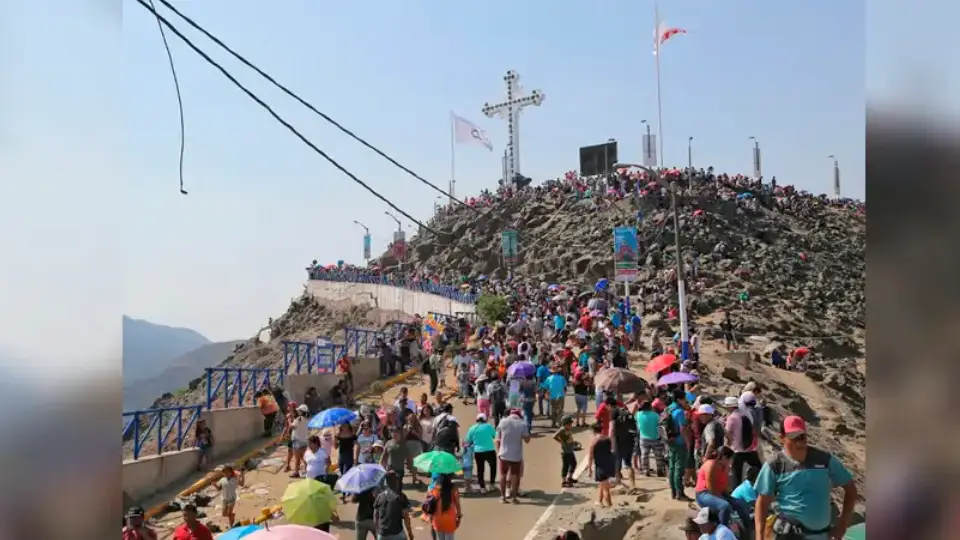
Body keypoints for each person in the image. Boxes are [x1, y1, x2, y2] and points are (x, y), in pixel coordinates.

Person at [754, 416, 858, 540]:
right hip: (789, 535)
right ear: (782, 438)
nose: (799, 442)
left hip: (821, 536)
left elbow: (850, 489)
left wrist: (843, 524)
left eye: (802, 436)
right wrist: (759, 537)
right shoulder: (775, 464)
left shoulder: (824, 460)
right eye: (793, 437)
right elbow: (762, 502)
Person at [694, 446, 752, 531]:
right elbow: (711, 489)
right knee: (725, 506)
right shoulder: (711, 464)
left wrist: (730, 497)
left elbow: (724, 486)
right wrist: (725, 499)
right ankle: (722, 531)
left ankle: (750, 529)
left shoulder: (725, 466)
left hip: (719, 493)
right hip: (704, 494)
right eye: (730, 459)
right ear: (724, 457)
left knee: (740, 503)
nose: (731, 461)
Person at [725, 392, 762, 488]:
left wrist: (728, 445)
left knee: (736, 475)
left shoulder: (732, 418)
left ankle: (736, 494)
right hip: (750, 449)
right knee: (760, 469)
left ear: (730, 407)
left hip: (737, 451)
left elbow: (728, 433)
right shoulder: (747, 415)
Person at [495, 408, 531, 504]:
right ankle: (514, 498)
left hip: (504, 453)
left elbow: (498, 438)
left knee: (503, 474)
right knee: (515, 475)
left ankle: (503, 497)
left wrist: (498, 451)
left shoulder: (503, 422)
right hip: (516, 455)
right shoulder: (522, 424)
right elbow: (527, 440)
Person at [665, 391, 692, 501]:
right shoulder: (680, 412)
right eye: (684, 398)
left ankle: (673, 492)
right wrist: (688, 442)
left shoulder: (669, 408)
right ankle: (680, 493)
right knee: (679, 469)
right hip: (680, 442)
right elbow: (683, 428)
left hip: (670, 440)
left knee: (672, 467)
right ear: (679, 400)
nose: (686, 400)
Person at [373, 471, 415, 540]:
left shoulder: (380, 496)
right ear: (396, 482)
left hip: (382, 534)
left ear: (386, 483)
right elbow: (406, 518)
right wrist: (410, 533)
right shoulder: (401, 497)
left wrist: (378, 533)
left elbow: (375, 516)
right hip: (397, 534)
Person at [465, 413, 497, 494]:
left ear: (477, 420)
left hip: (478, 451)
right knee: (493, 468)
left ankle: (482, 487)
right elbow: (495, 436)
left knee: (480, 470)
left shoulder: (472, 428)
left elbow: (467, 441)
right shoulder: (489, 426)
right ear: (485, 420)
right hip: (490, 450)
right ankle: (492, 485)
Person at [424, 474, 463, 540]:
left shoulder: (433, 487)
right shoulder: (454, 488)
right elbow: (457, 504)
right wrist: (459, 517)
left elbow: (429, 502)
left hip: (437, 519)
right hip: (450, 519)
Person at [610, 399, 637, 489]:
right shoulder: (625, 412)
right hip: (629, 440)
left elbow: (612, 429)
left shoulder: (613, 412)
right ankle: (632, 484)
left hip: (618, 441)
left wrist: (611, 443)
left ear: (609, 405)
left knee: (617, 463)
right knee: (628, 463)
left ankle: (618, 482)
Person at [635, 400, 666, 476]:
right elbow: (660, 425)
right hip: (656, 438)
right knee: (659, 456)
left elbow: (636, 422)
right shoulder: (655, 415)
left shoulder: (638, 414)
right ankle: (660, 470)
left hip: (643, 438)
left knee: (644, 456)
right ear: (650, 407)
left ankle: (646, 470)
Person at [586, 422, 614, 507]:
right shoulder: (607, 439)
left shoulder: (594, 441)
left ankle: (610, 506)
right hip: (609, 465)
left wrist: (589, 469)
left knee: (606, 489)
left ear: (593, 431)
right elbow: (611, 450)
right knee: (602, 483)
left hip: (601, 467)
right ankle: (599, 501)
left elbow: (590, 457)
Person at [380, 427, 410, 493]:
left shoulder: (403, 444)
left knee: (398, 487)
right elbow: (384, 455)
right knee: (389, 486)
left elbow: (408, 457)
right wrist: (380, 465)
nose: (394, 433)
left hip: (399, 470)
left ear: (400, 434)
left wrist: (409, 465)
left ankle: (398, 497)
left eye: (396, 432)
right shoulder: (388, 443)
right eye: (393, 432)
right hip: (389, 469)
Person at [553, 415, 578, 487]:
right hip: (565, 452)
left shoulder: (568, 430)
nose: (571, 425)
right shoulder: (562, 430)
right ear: (565, 424)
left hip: (570, 450)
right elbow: (554, 436)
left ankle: (570, 478)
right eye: (569, 424)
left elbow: (569, 438)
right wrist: (561, 442)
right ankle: (564, 481)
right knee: (566, 466)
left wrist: (573, 443)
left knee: (574, 463)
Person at [289, 404, 311, 477]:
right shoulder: (307, 419)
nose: (298, 411)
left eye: (299, 410)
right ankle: (309, 469)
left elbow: (292, 427)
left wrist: (289, 420)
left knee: (297, 458)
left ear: (301, 411)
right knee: (302, 457)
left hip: (297, 441)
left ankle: (296, 472)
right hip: (304, 441)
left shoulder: (299, 418)